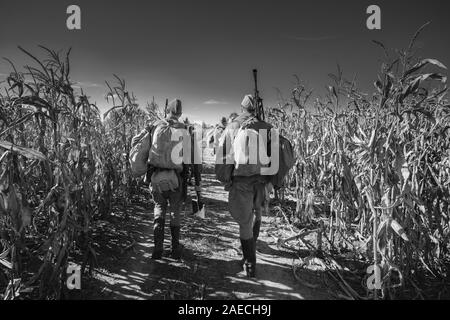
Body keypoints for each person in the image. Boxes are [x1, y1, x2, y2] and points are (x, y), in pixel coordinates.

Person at [217, 94, 273, 278]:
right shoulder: (266, 126)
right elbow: (276, 156)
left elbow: (223, 155)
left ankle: (250, 263)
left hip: (241, 182)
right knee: (257, 213)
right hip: (262, 181)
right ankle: (252, 248)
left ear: (242, 108)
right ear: (256, 109)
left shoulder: (233, 126)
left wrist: (226, 178)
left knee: (244, 223)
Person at [149, 99, 202, 260]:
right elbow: (194, 160)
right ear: (179, 114)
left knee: (159, 207)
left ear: (167, 111)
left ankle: (157, 248)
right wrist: (197, 182)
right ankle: (175, 250)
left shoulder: (156, 127)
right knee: (175, 211)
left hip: (156, 178)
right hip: (176, 179)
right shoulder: (184, 131)